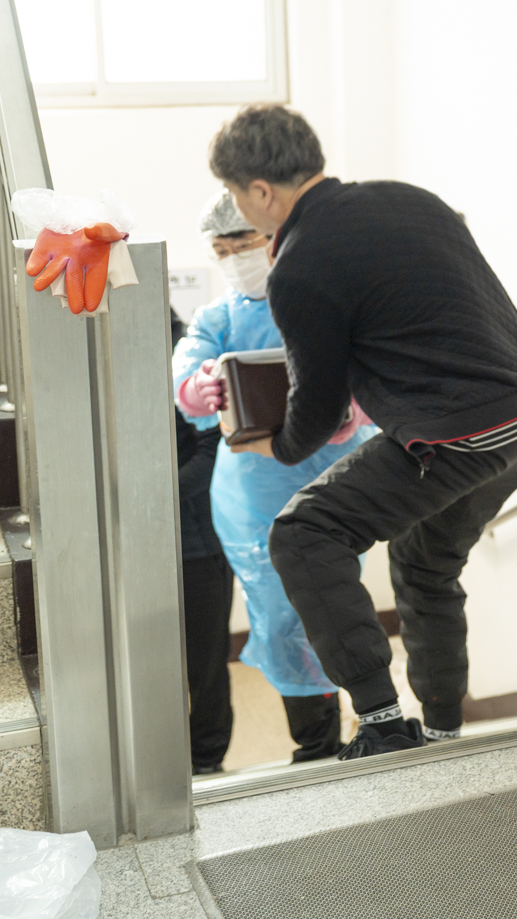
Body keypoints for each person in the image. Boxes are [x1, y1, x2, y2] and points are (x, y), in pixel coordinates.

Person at [209, 104, 517, 759]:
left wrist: (274, 445)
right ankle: (444, 733)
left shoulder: (300, 263)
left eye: (235, 193)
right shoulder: (409, 197)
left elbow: (315, 409)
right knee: (425, 563)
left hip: (457, 435)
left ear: (261, 191)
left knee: (303, 532)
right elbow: (432, 313)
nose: (239, 207)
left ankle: (383, 724)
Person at [174, 194, 381, 764]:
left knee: (329, 600)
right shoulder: (219, 318)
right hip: (254, 489)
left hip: (335, 472)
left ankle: (363, 720)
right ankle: (316, 743)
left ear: (272, 235)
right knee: (279, 613)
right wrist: (196, 388)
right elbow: (187, 364)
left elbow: (373, 361)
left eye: (243, 242)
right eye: (222, 249)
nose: (235, 256)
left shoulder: (322, 296)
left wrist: (355, 407)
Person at [173, 311, 234, 775]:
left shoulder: (189, 357)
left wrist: (153, 497)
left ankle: (207, 760)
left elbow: (215, 448)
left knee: (206, 663)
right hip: (136, 544)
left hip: (198, 542)